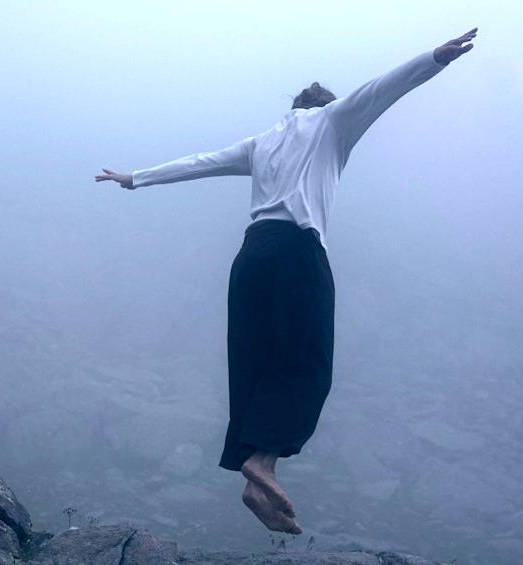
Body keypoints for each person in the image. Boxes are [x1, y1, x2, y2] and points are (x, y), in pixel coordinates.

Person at [96, 28, 478, 535]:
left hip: (252, 255)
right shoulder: (333, 121)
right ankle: (263, 464)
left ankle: (256, 474)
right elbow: (380, 90)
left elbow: (201, 162)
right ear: (325, 106)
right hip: (298, 250)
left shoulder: (262, 143)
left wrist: (135, 177)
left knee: (254, 362)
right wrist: (435, 58)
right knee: (308, 363)